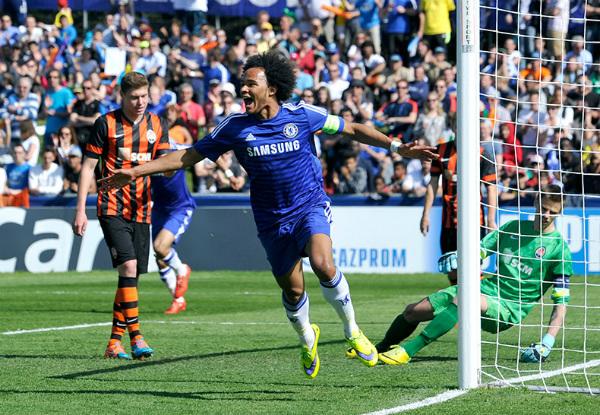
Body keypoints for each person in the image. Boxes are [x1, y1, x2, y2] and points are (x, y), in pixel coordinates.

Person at [99, 50, 437, 379]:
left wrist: (397, 147)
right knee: (293, 291)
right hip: (271, 218)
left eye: (251, 84)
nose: (243, 89)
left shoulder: (302, 115)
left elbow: (352, 129)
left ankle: (352, 330)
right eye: (242, 84)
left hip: (309, 205)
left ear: (271, 89)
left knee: (323, 264)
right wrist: (137, 171)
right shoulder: (234, 126)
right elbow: (187, 156)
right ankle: (307, 336)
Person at [374, 185, 572, 365]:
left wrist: (547, 342)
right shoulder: (513, 228)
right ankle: (378, 350)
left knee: (466, 298)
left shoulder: (559, 249)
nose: (546, 215)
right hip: (486, 289)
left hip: (508, 308)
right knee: (413, 311)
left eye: (553, 212)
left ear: (560, 212)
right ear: (536, 202)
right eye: (544, 208)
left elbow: (561, 303)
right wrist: (460, 257)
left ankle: (408, 351)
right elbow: (480, 251)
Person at [72, 72, 170, 361]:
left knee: (132, 276)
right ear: (122, 97)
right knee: (128, 267)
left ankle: (114, 343)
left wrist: (175, 164)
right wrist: (81, 209)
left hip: (142, 208)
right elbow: (88, 167)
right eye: (134, 97)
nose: (141, 102)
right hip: (111, 205)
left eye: (144, 96)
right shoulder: (106, 123)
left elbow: (166, 166)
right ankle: (137, 337)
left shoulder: (157, 124)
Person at [420, 133, 498, 284]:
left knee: (473, 266)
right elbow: (433, 183)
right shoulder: (440, 151)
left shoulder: (482, 154)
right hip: (448, 220)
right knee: (451, 268)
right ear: (453, 125)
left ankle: (476, 298)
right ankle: (458, 298)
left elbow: (491, 188)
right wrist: (425, 215)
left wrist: (490, 220)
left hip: (474, 221)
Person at [151, 142, 195, 315]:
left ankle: (182, 269)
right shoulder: (145, 151)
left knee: (160, 247)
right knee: (160, 259)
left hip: (180, 208)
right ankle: (178, 300)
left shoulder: (179, 150)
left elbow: (209, 150)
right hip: (159, 209)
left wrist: (228, 173)